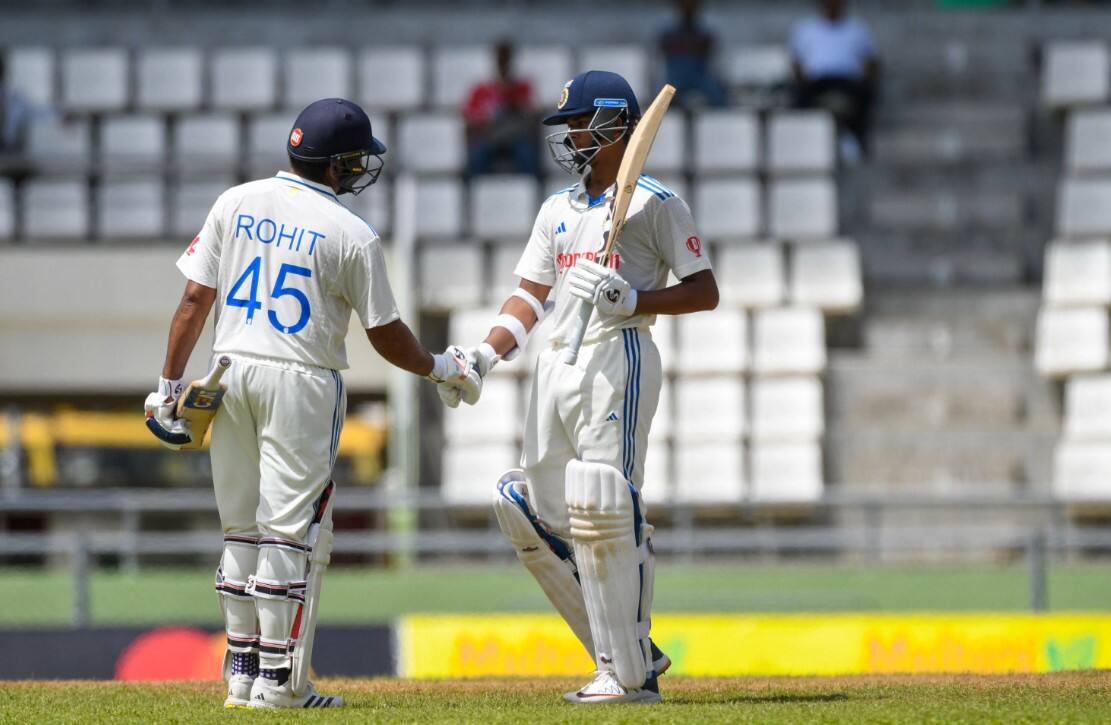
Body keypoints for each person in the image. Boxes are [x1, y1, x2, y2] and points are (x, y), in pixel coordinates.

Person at [143, 98, 479, 710]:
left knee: (240, 533)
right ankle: (279, 684)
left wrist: (168, 388)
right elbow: (385, 334)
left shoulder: (235, 201)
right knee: (288, 536)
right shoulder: (353, 234)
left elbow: (194, 301)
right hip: (302, 379)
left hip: (229, 369)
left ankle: (241, 676)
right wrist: (440, 368)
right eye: (355, 161)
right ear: (337, 165)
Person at [438, 70, 719, 704]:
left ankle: (626, 674)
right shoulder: (556, 210)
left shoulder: (656, 203)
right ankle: (629, 649)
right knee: (523, 507)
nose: (566, 136)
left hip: (616, 356)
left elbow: (705, 291)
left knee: (606, 504)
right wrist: (484, 355)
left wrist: (634, 298)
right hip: (555, 367)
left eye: (578, 123)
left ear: (616, 124)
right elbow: (530, 297)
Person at [789, 0, 880, 161]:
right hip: (817, 80)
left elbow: (872, 60)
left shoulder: (857, 28)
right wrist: (801, 79)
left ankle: (857, 139)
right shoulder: (806, 28)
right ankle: (802, 143)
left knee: (867, 94)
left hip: (847, 79)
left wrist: (865, 76)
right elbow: (796, 62)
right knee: (798, 97)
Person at [462, 40, 539, 176]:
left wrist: (515, 104)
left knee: (527, 156)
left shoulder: (521, 87)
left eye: (506, 58)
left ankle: (534, 189)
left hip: (516, 137)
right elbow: (470, 116)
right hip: (489, 137)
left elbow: (531, 114)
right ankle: (472, 192)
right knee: (477, 158)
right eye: (500, 58)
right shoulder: (481, 89)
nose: (503, 63)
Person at [658, 0, 729, 109]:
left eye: (692, 4)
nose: (688, 7)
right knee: (662, 98)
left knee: (718, 95)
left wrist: (684, 45)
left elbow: (710, 50)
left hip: (700, 76)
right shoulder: (667, 31)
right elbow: (663, 48)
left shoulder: (706, 31)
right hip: (676, 77)